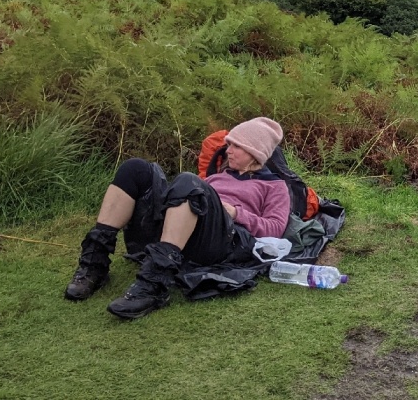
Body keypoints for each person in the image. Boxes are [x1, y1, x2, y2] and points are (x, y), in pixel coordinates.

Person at [64, 117, 291, 319]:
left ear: (255, 152)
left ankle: (154, 284)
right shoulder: (217, 178)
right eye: (228, 144)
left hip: (224, 239)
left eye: (236, 146)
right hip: (183, 230)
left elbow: (275, 229)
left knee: (188, 181)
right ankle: (95, 264)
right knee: (136, 168)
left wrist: (235, 212)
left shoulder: (274, 186)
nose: (228, 150)